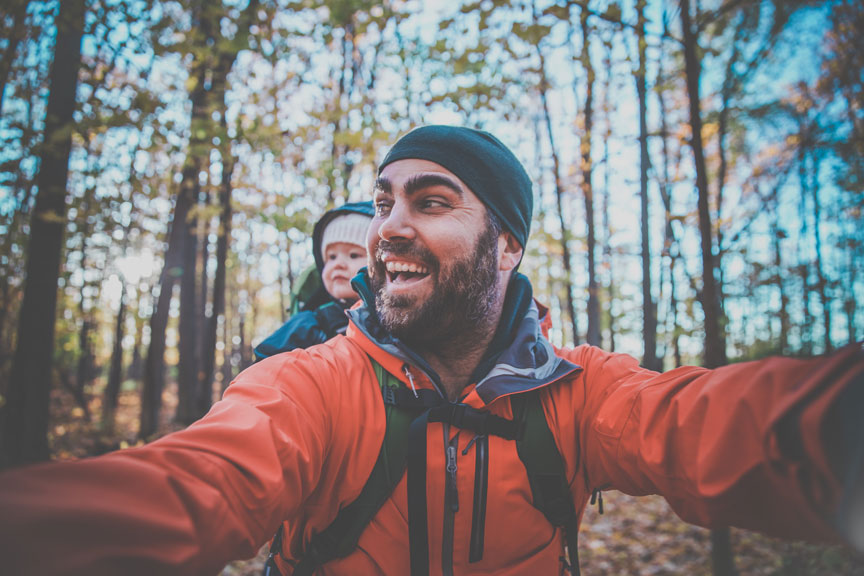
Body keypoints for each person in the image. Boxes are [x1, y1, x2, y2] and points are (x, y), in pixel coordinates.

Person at [0, 126, 862, 576]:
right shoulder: (312, 384)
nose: (389, 229)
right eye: (382, 202)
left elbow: (713, 427)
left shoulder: (579, 392)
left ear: (508, 247)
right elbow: (193, 486)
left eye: (433, 201)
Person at [253, 201, 373, 360]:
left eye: (353, 255)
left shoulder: (395, 319)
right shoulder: (311, 323)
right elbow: (264, 363)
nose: (338, 264)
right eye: (331, 257)